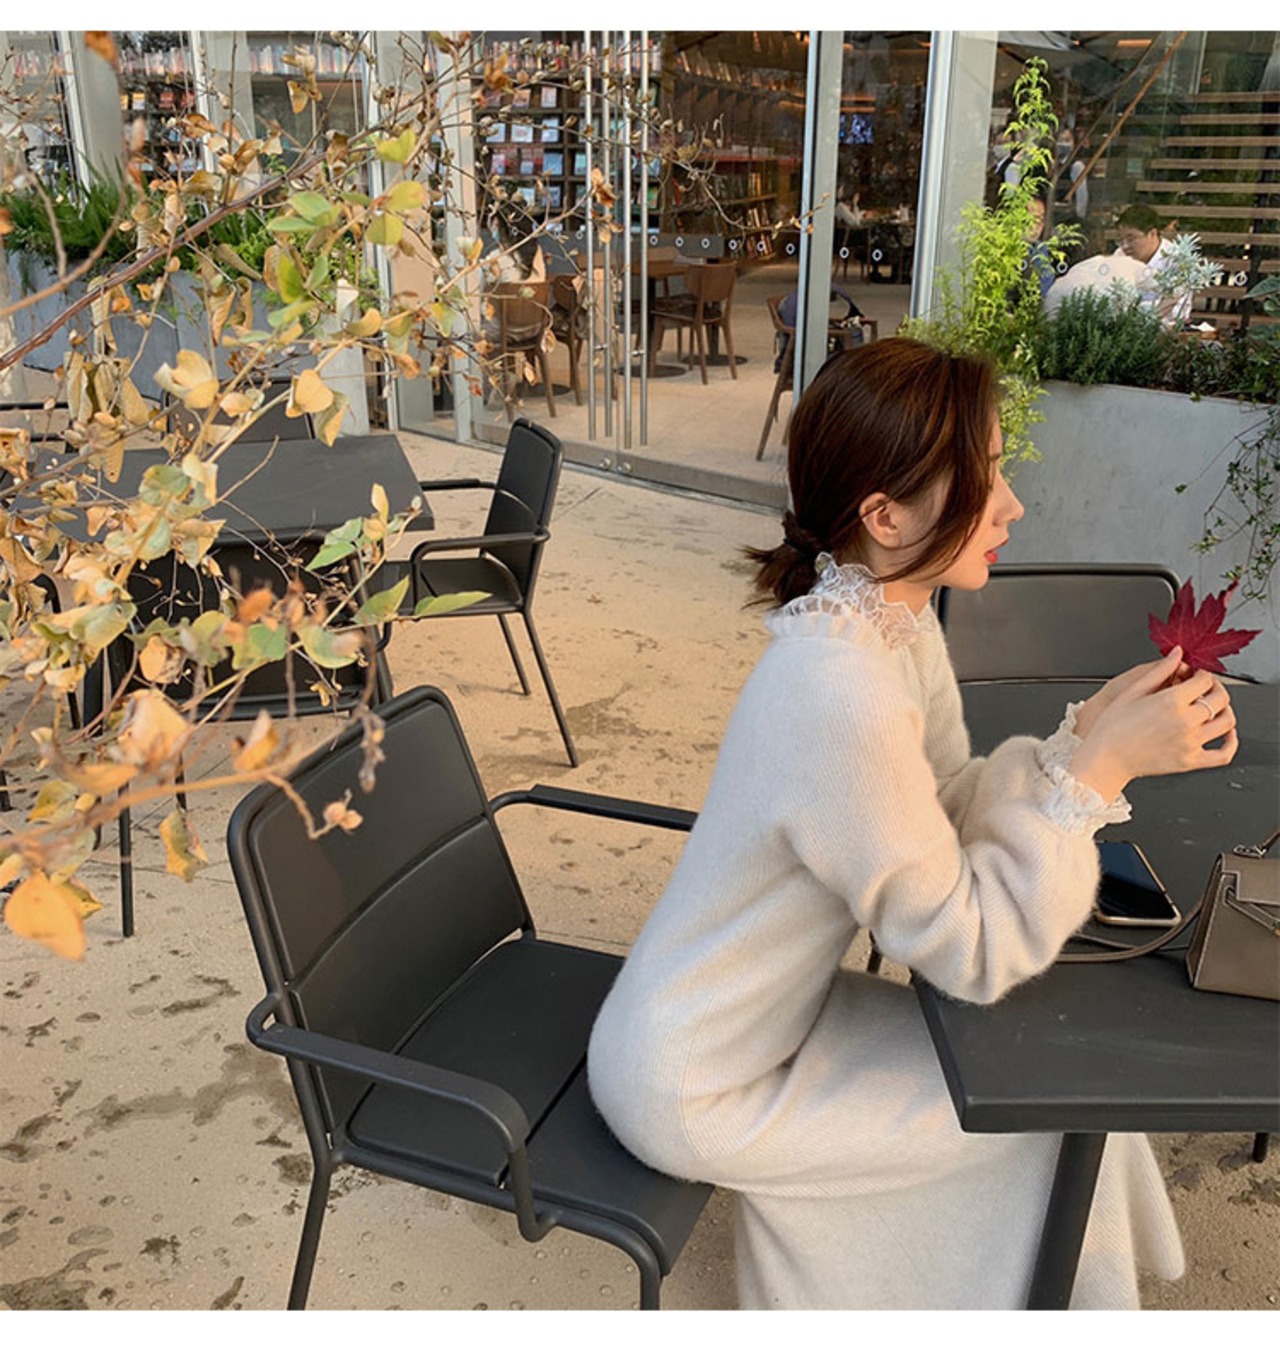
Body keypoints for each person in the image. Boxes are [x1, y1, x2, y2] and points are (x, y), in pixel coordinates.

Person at [587, 337, 1239, 1310]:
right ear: (884, 515)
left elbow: (946, 798)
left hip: (756, 1020)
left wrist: (1085, 738)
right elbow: (966, 951)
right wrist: (1095, 771)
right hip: (704, 1081)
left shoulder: (884, 619)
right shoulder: (838, 689)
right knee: (1048, 1117)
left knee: (1056, 1094)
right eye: (983, 478)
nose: (1011, 504)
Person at [1114, 204, 1193, 325]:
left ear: (1152, 233)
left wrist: (1141, 313)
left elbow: (1179, 308)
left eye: (1131, 239)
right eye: (1121, 239)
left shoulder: (1177, 259)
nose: (1125, 246)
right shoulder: (1120, 255)